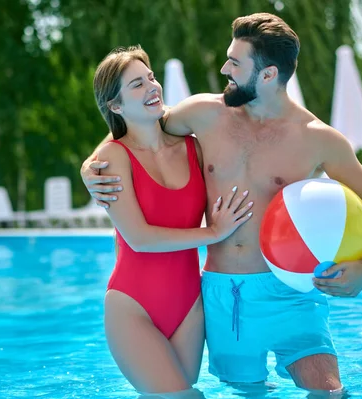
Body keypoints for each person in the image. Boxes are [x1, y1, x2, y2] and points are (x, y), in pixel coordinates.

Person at [82, 14, 362, 393]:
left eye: (235, 63)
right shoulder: (203, 114)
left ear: (267, 75)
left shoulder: (318, 139)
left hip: (289, 293)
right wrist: (93, 164)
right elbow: (134, 121)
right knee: (245, 391)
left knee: (328, 390)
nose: (224, 68)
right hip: (223, 294)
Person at [90, 45, 254, 396]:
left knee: (180, 390)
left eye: (150, 77)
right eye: (137, 84)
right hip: (132, 306)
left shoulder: (194, 148)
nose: (152, 87)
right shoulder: (111, 157)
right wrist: (213, 233)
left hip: (189, 304)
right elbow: (139, 239)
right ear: (116, 106)